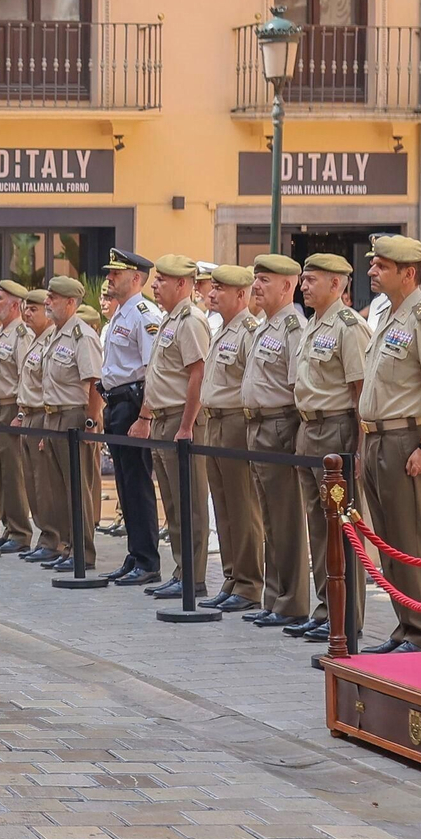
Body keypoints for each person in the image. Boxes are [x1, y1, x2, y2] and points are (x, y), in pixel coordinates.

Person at [358, 236, 421, 654]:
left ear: (407, 273)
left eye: (382, 266)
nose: (372, 272)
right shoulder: (390, 316)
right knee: (389, 541)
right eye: (374, 265)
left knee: (411, 541)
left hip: (404, 440)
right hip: (378, 439)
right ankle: (404, 627)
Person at [286, 253, 368, 643]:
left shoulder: (349, 327)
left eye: (312, 279)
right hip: (309, 429)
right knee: (318, 529)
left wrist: (359, 448)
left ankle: (346, 615)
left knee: (340, 528)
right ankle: (325, 608)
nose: (304, 285)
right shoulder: (312, 324)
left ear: (337, 285)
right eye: (303, 279)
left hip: (336, 430)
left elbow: (360, 393)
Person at [129, 255, 211, 599]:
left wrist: (187, 425)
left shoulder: (191, 320)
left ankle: (193, 577)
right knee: (174, 505)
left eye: (163, 279)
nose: (155, 285)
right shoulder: (169, 320)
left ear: (183, 284)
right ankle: (181, 570)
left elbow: (197, 373)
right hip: (163, 418)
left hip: (180, 418)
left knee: (188, 504)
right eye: (156, 279)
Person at [238, 254, 309, 627]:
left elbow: (298, 387)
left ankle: (292, 601)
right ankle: (273, 597)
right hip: (258, 426)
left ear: (288, 285)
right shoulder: (266, 326)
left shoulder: (293, 326)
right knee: (268, 516)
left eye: (265, 279)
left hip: (280, 424)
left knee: (285, 518)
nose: (257, 286)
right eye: (256, 279)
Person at [197, 265, 264, 613]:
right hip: (215, 422)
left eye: (220, 289)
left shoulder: (248, 331)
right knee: (223, 506)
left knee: (242, 506)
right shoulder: (222, 330)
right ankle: (232, 577)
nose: (211, 293)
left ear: (241, 295)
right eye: (213, 288)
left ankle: (250, 584)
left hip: (236, 421)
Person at [99, 249, 163, 585]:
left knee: (137, 483)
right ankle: (135, 552)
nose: (109, 278)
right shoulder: (120, 314)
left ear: (135, 278)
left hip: (133, 405)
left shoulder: (143, 314)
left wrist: (146, 416)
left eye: (116, 273)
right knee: (124, 484)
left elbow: (152, 369)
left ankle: (148, 560)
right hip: (116, 404)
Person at [39, 276, 104, 570]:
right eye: (48, 296)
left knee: (78, 489)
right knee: (59, 489)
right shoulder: (56, 334)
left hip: (74, 415)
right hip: (53, 416)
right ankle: (67, 546)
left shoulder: (82, 336)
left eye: (53, 297)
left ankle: (83, 552)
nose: (47, 302)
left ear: (70, 303)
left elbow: (95, 383)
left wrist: (91, 423)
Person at [0, 281, 33, 552]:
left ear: (14, 305)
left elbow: (26, 375)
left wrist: (22, 413)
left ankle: (20, 532)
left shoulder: (20, 335)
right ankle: (8, 527)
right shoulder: (1, 333)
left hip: (10, 408)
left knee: (13, 474)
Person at [15, 289, 57, 560]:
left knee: (46, 485)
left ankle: (53, 539)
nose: (27, 314)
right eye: (26, 309)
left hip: (44, 415)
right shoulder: (33, 340)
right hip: (28, 415)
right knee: (31, 482)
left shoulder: (52, 341)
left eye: (34, 309)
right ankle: (45, 537)